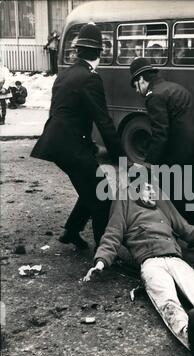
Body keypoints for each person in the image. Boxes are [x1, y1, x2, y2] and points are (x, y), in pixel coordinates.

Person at [83, 182, 194, 356]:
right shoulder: (125, 203)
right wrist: (101, 262)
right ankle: (193, 339)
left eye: (153, 188)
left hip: (175, 259)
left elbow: (189, 231)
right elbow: (112, 235)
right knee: (167, 302)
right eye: (147, 189)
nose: (153, 192)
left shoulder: (162, 205)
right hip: (150, 263)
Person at [31, 23, 123, 248]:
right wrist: (120, 157)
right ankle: (104, 251)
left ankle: (71, 231)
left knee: (89, 186)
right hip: (71, 147)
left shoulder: (65, 74)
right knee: (102, 197)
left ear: (78, 50)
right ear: (99, 53)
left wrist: (86, 144)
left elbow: (64, 113)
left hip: (57, 144)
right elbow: (104, 121)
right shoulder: (91, 78)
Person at [129, 57, 194, 231]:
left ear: (141, 79)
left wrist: (149, 163)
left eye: (136, 86)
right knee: (191, 188)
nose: (137, 91)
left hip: (179, 150)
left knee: (172, 191)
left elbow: (160, 133)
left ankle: (180, 230)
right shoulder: (175, 87)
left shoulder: (154, 96)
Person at [0, 59, 11, 125]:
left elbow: (8, 79)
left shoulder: (4, 69)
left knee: (3, 104)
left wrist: (4, 88)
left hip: (2, 87)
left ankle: (3, 119)